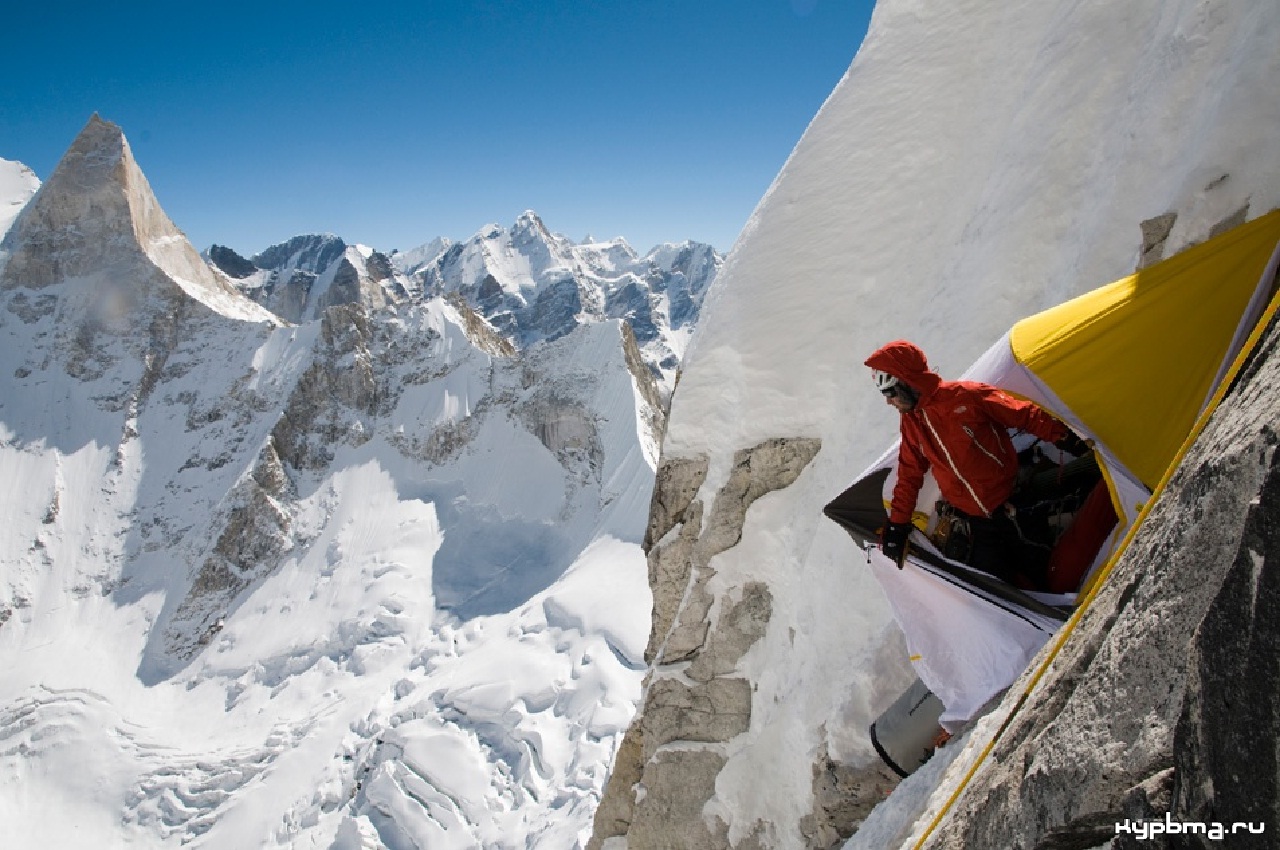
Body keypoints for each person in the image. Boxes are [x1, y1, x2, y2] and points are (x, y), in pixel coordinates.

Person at [865, 340, 1089, 582]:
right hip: (976, 523)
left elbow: (1022, 414)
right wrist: (897, 527)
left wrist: (1064, 437)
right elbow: (910, 474)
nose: (889, 401)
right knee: (998, 586)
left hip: (1013, 502)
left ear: (908, 383)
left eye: (890, 393)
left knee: (1048, 569)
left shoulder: (965, 397)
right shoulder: (911, 424)